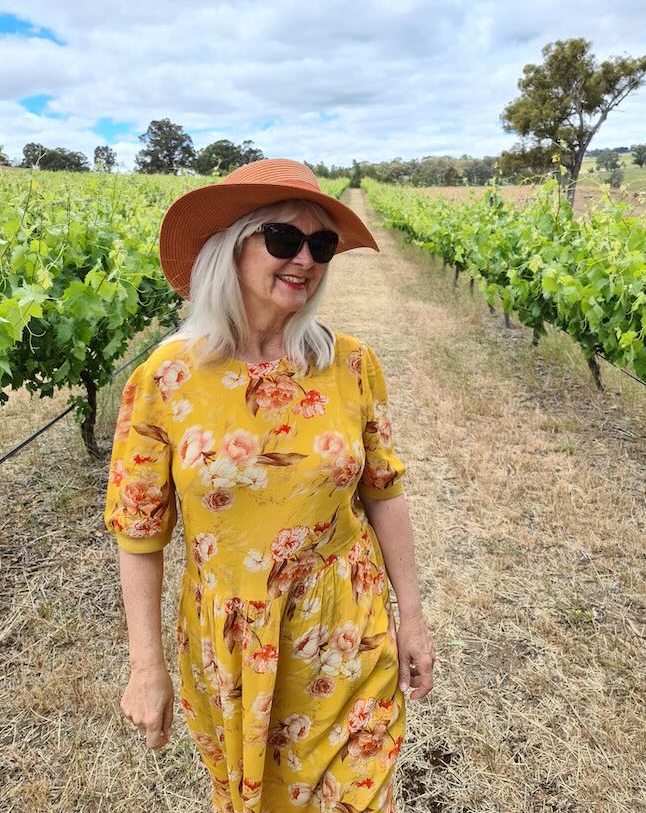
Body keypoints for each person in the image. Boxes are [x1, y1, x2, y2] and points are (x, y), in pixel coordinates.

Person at [104, 158, 435, 812]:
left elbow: (383, 492)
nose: (305, 260)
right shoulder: (167, 378)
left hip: (347, 628)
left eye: (322, 244)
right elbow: (138, 531)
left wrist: (414, 619)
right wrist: (147, 668)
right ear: (232, 248)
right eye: (284, 239)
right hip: (230, 645)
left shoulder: (351, 364)